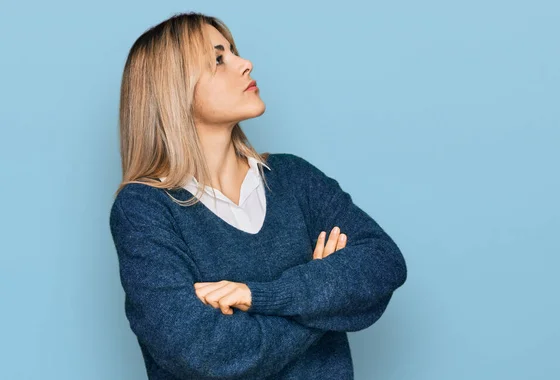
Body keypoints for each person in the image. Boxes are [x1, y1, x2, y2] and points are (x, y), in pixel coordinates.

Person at [109, 11, 407, 380]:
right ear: (173, 90)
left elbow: (384, 263)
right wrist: (322, 295)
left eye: (233, 51)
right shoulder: (144, 208)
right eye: (219, 59)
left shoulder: (294, 177)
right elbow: (206, 353)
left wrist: (259, 296)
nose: (245, 63)